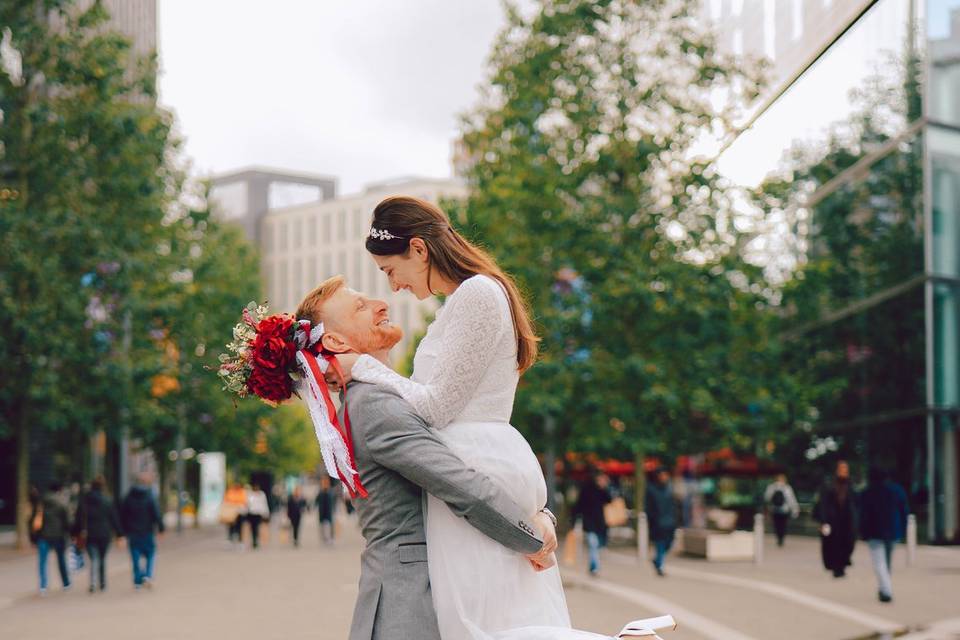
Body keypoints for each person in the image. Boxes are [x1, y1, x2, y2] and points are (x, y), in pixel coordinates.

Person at [297, 266, 652, 639]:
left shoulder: (389, 395)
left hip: (443, 586)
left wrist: (542, 514)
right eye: (360, 307)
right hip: (410, 606)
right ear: (336, 343)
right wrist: (535, 538)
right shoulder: (373, 403)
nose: (381, 303)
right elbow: (461, 485)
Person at [860, 467, 908, 603]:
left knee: (879, 563)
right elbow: (904, 511)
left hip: (874, 532)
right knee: (886, 562)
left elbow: (863, 515)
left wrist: (863, 532)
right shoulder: (897, 490)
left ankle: (886, 590)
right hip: (893, 531)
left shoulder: (868, 492)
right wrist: (903, 529)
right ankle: (884, 588)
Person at [73, 475, 124, 593]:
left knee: (93, 558)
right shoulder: (107, 500)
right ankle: (102, 583)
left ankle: (93, 582)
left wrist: (74, 532)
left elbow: (78, 518)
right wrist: (120, 534)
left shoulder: (85, 501)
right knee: (102, 558)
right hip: (105, 534)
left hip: (89, 534)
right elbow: (114, 518)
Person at [814, 460, 857, 578]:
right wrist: (823, 521)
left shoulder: (851, 485)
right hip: (832, 521)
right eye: (841, 469)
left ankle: (843, 564)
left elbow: (855, 503)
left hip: (847, 522)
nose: (844, 471)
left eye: (845, 469)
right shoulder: (829, 485)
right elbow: (823, 504)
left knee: (848, 543)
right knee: (833, 544)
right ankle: (836, 568)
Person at [120, 473, 164, 589]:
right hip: (147, 531)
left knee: (135, 557)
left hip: (133, 533)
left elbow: (123, 516)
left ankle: (137, 581)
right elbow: (156, 513)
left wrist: (122, 532)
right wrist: (161, 528)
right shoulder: (149, 496)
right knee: (150, 553)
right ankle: (147, 575)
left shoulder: (128, 497)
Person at [33, 482, 72, 595]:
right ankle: (66, 583)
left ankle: (43, 586)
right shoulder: (61, 503)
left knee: (42, 562)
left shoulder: (41, 502)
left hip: (43, 536)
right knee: (61, 560)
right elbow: (67, 522)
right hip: (58, 536)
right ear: (58, 490)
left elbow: (35, 519)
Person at [571, 470, 612, 575]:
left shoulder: (601, 490)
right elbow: (579, 505)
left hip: (599, 522)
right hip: (590, 521)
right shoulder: (586, 490)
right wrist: (574, 520)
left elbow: (609, 500)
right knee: (593, 544)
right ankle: (595, 566)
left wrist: (604, 487)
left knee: (597, 545)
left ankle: (593, 564)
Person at [645, 467, 677, 577]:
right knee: (660, 544)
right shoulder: (651, 489)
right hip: (658, 522)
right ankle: (660, 566)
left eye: (665, 475)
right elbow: (648, 507)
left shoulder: (669, 488)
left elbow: (673, 505)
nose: (664, 477)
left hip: (670, 521)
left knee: (669, 544)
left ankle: (657, 560)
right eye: (662, 475)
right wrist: (651, 520)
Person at [764, 474, 800, 547]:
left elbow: (766, 498)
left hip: (774, 509)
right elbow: (791, 500)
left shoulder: (772, 487)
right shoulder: (787, 488)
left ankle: (779, 538)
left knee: (777, 525)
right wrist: (795, 510)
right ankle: (781, 539)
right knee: (783, 525)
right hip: (784, 510)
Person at [222, 481, 247, 548]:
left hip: (239, 512)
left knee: (239, 527)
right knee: (231, 526)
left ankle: (240, 541)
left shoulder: (242, 492)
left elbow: (244, 501)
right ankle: (230, 539)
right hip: (231, 512)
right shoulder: (230, 491)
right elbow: (227, 500)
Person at [245, 483, 270, 549]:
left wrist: (266, 513)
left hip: (258, 513)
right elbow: (248, 503)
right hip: (252, 513)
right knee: (253, 528)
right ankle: (254, 540)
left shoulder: (261, 494)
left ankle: (256, 540)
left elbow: (264, 504)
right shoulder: (250, 494)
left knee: (257, 527)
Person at [314, 476, 337, 545]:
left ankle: (330, 539)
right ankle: (324, 539)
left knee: (329, 526)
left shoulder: (331, 492)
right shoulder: (320, 492)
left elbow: (334, 502)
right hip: (322, 512)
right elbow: (316, 501)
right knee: (322, 527)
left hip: (329, 512)